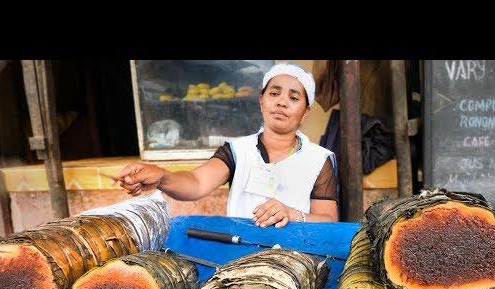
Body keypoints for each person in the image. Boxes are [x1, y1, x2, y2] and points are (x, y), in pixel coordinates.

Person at [115, 63, 339, 228]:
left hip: (296, 259)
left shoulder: (318, 159)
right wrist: (162, 177)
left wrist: (292, 214)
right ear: (262, 101)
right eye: (274, 93)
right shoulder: (237, 150)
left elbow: (328, 220)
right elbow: (197, 182)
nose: (281, 102)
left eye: (294, 97)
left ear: (305, 112)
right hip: (240, 253)